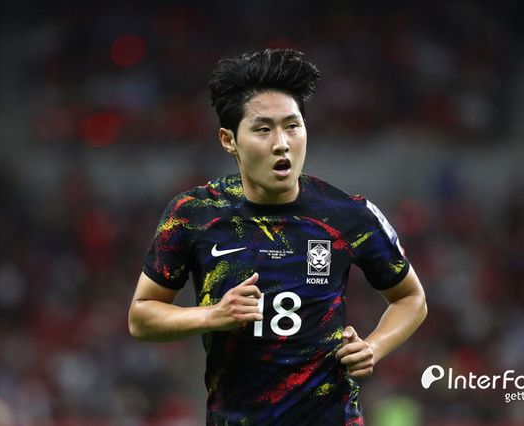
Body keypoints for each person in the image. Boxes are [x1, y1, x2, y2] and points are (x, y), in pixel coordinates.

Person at [128, 48, 427, 425]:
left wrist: (373, 346)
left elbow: (411, 298)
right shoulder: (194, 214)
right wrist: (212, 315)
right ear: (228, 139)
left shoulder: (348, 215)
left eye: (292, 126)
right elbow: (141, 318)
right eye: (263, 129)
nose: (282, 142)